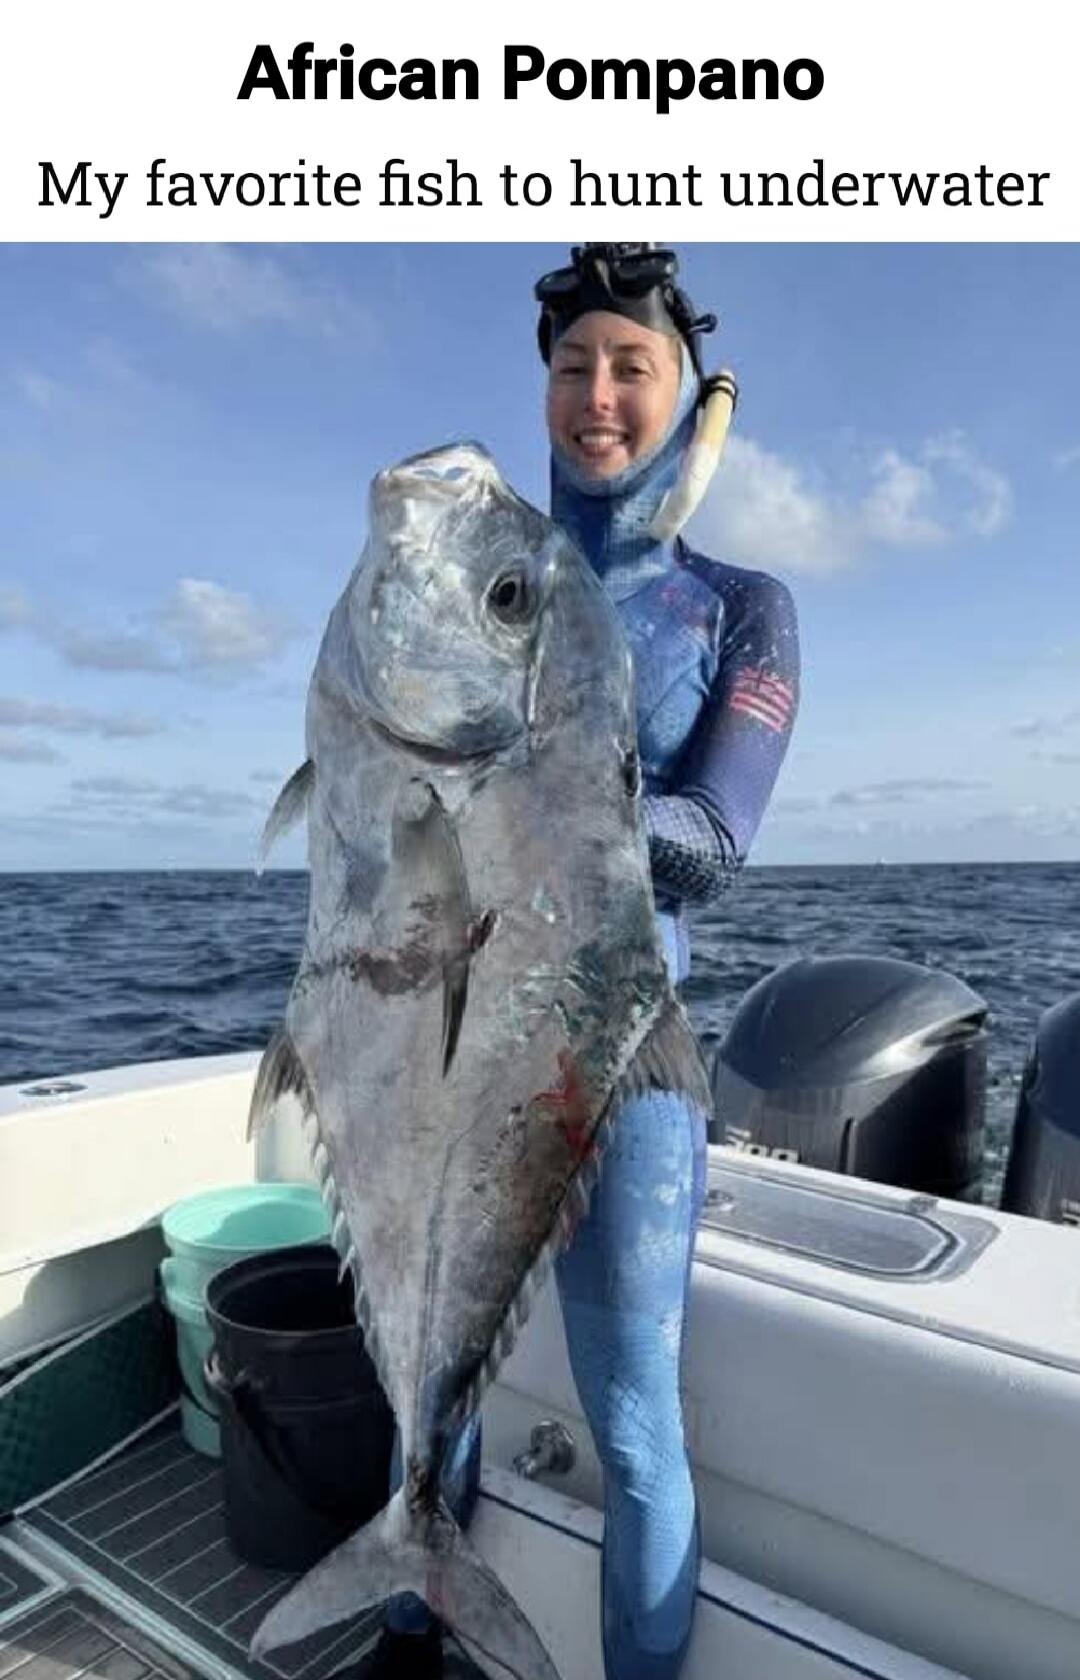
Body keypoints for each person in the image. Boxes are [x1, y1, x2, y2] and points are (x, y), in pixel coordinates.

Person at [362, 244, 800, 1680]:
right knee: (428, 1388)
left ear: (686, 389)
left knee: (634, 1430)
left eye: (632, 366)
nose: (598, 395)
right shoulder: (481, 579)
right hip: (453, 1036)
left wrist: (531, 787)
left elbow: (711, 844)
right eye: (572, 366)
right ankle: (411, 1636)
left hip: (624, 1056)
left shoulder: (737, 606)